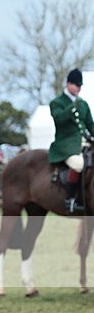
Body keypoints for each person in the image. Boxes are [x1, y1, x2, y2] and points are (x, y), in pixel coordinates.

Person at [49, 68, 94, 214]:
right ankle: (70, 200)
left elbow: (90, 125)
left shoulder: (83, 104)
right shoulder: (57, 102)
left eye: (80, 86)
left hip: (84, 142)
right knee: (78, 164)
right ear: (68, 84)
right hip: (65, 145)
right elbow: (59, 119)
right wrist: (72, 106)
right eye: (76, 85)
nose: (78, 88)